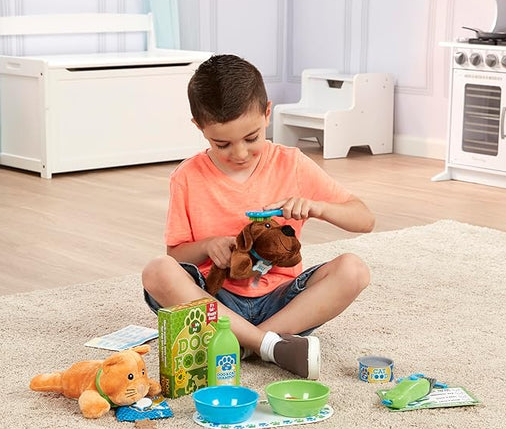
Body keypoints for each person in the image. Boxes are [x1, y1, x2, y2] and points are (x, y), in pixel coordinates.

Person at [142, 54, 375, 380]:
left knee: (354, 270)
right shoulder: (187, 176)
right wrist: (207, 246)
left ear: (267, 113)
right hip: (215, 302)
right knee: (157, 272)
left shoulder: (292, 163)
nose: (239, 153)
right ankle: (269, 345)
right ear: (199, 127)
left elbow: (364, 219)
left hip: (283, 303)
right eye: (222, 144)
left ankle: (245, 343)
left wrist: (317, 207)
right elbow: (176, 256)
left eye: (251, 138)